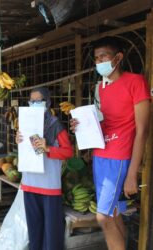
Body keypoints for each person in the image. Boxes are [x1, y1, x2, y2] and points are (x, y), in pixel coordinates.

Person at [71, 36, 150, 250]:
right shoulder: (102, 88)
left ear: (118, 57)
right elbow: (104, 124)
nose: (99, 62)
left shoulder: (136, 82)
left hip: (119, 156)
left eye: (103, 56)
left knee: (102, 217)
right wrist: (81, 126)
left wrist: (132, 174)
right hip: (100, 155)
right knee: (113, 212)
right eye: (96, 58)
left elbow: (142, 131)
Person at [16, 87, 73, 250]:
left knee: (51, 233)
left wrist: (48, 148)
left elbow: (68, 152)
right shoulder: (25, 123)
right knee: (34, 231)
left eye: (38, 101)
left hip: (49, 187)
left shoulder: (56, 126)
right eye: (31, 101)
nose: (34, 104)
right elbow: (26, 149)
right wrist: (18, 139)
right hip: (29, 183)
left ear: (47, 103)